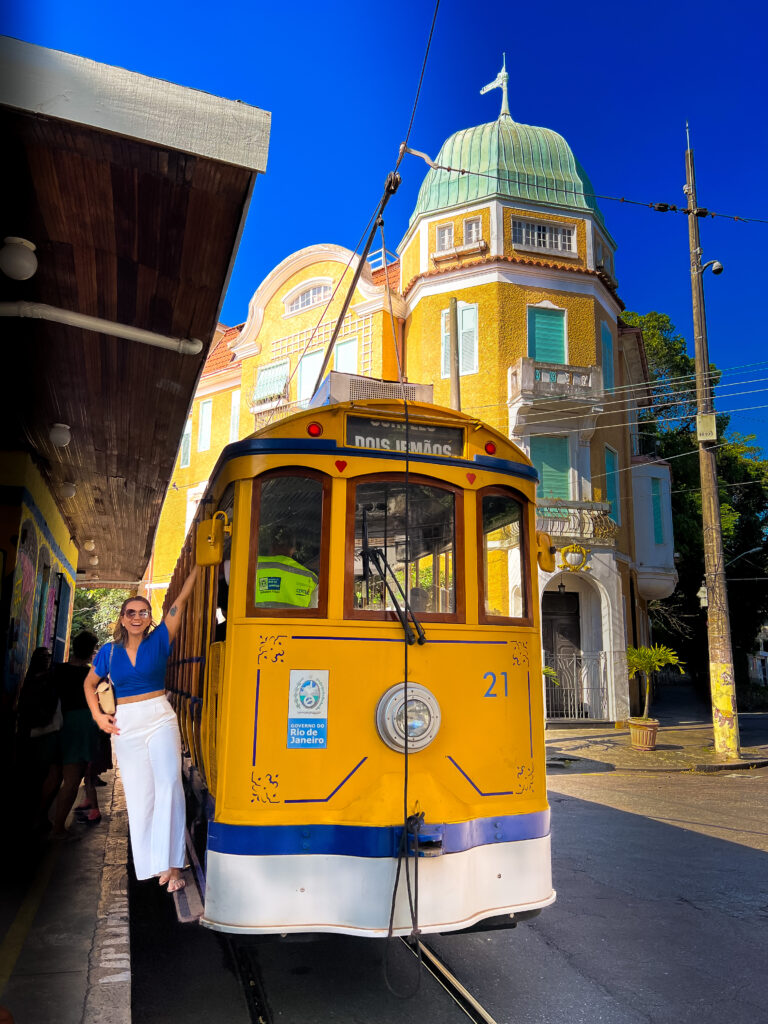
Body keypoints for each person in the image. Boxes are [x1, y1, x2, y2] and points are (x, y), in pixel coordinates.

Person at [84, 568, 198, 893]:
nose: (136, 617)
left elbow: (180, 602)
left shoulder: (161, 638)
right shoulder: (108, 652)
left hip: (160, 716)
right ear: (122, 619)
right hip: (127, 723)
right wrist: (98, 716)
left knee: (170, 785)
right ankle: (153, 864)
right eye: (130, 613)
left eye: (142, 612)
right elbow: (90, 684)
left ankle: (173, 865)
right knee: (139, 794)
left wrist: (198, 569)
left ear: (149, 618)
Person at [51, 631, 101, 836]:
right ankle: (58, 828)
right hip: (80, 726)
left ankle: (39, 819)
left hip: (57, 724)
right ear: (91, 653)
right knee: (72, 780)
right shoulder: (90, 675)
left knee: (53, 776)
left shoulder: (57, 670)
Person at [254, 526, 318, 608]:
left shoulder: (250, 566)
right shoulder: (310, 578)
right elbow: (314, 615)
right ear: (293, 549)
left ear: (271, 545)